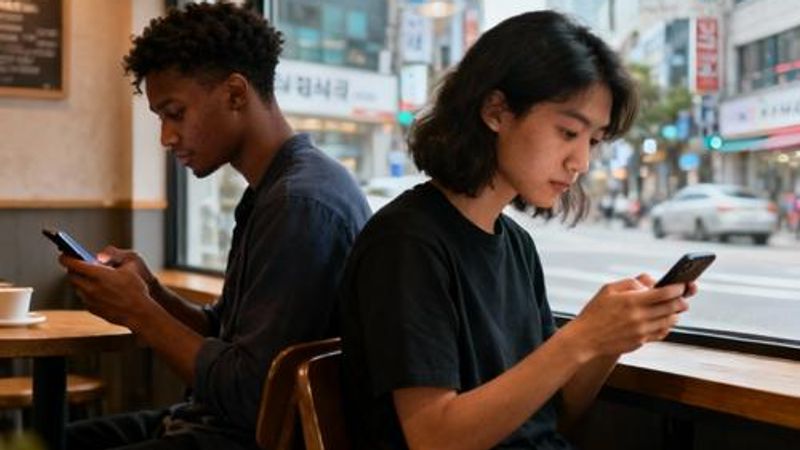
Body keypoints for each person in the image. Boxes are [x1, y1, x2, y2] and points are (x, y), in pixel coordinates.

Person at [338, 11, 696, 450]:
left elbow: (554, 415)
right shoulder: (406, 243)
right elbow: (434, 437)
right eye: (568, 131)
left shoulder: (517, 246)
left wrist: (608, 342)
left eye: (594, 140)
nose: (581, 161)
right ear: (496, 111)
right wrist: (579, 338)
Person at [59, 3, 370, 450]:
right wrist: (151, 292)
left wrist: (139, 313)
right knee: (37, 439)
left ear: (236, 94)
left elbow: (253, 397)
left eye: (175, 113)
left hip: (237, 437)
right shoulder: (276, 191)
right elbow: (223, 336)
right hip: (203, 421)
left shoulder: (299, 204)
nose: (166, 137)